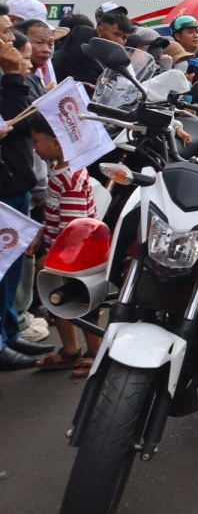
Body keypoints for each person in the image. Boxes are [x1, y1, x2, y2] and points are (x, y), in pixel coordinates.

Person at [26, 113, 100, 376]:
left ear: (56, 143)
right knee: (56, 299)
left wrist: (52, 258)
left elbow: (75, 228)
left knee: (82, 302)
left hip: (76, 258)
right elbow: (54, 213)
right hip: (60, 255)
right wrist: (40, 236)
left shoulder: (71, 179)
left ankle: (94, 351)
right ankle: (70, 349)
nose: (34, 147)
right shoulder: (59, 172)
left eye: (36, 141)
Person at [0, 35, 53, 370]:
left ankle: (9, 331)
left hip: (15, 181)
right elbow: (19, 116)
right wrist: (13, 77)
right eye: (4, 32)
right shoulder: (10, 76)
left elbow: (26, 119)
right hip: (5, 184)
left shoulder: (18, 75)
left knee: (11, 268)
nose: (8, 39)